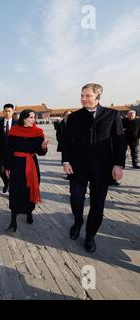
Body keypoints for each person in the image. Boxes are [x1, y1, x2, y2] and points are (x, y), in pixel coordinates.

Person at [62, 83, 126, 252]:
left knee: (98, 206)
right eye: (82, 95)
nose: (83, 98)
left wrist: (118, 165)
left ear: (98, 96)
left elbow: (120, 142)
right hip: (78, 167)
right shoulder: (75, 117)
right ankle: (77, 222)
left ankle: (90, 236)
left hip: (103, 168)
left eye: (87, 95)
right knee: (76, 199)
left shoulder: (112, 115)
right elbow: (67, 142)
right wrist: (66, 161)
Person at [5, 110, 49, 234]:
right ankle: (13, 221)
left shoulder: (38, 132)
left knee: (30, 189)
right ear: (23, 119)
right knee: (15, 191)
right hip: (17, 165)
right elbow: (8, 150)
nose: (33, 119)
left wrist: (43, 147)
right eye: (30, 117)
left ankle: (29, 212)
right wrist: (7, 167)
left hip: (32, 166)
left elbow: (41, 152)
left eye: (34, 117)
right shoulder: (14, 131)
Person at [0, 104, 18, 193]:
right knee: (1, 170)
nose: (7, 113)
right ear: (3, 112)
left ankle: (12, 187)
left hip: (14, 152)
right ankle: (6, 183)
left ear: (12, 111)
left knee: (13, 171)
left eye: (9, 111)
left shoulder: (18, 124)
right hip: (2, 152)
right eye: (6, 111)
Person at [55, 110, 72, 179]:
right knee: (65, 160)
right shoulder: (60, 124)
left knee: (73, 160)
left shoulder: (75, 124)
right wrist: (60, 141)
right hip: (64, 145)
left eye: (69, 115)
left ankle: (72, 174)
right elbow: (58, 135)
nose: (68, 116)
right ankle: (68, 174)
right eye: (67, 115)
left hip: (73, 145)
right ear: (64, 116)